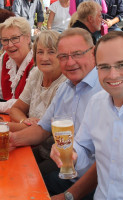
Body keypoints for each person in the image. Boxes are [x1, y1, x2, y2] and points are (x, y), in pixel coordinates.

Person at [50, 31, 123, 200]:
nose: (112, 75)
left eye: (121, 64)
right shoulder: (97, 102)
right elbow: (83, 146)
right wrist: (71, 153)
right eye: (104, 67)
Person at [9, 28, 102, 197]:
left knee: (20, 184)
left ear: (93, 52)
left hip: (91, 186)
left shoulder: (104, 91)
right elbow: (42, 129)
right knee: (12, 177)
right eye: (64, 56)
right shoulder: (66, 88)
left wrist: (69, 196)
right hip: (66, 173)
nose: (70, 62)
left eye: (77, 54)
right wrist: (10, 140)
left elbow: (104, 163)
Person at [0, 30, 66, 132]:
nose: (45, 58)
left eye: (51, 52)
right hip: (27, 142)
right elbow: (16, 109)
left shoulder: (65, 83)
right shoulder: (38, 73)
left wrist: (1, 124)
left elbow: (43, 130)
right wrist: (24, 121)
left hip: (49, 147)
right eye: (40, 52)